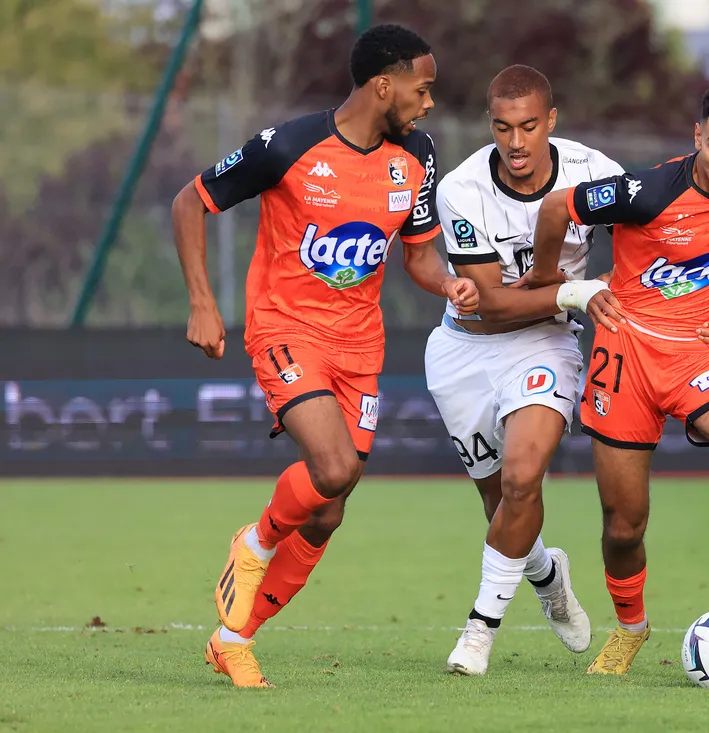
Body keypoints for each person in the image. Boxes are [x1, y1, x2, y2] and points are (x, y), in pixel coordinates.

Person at [170, 24, 478, 687]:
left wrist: (448, 280)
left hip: (360, 345)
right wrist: (202, 301)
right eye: (422, 90)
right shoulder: (290, 145)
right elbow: (189, 203)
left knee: (331, 508)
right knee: (333, 467)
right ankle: (253, 542)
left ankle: (233, 637)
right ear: (383, 85)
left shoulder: (417, 154)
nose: (429, 104)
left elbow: (418, 255)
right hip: (285, 329)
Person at [427, 66, 709, 676]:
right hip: (464, 349)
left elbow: (670, 240)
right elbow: (491, 301)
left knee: (523, 480)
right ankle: (546, 574)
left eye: (528, 126)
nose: (516, 142)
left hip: (546, 344)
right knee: (500, 502)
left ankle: (478, 632)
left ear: (551, 121)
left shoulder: (594, 172)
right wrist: (577, 291)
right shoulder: (462, 188)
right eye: (502, 128)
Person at [519, 79, 709, 675]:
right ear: (697, 135)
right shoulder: (644, 194)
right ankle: (630, 628)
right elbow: (554, 207)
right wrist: (547, 285)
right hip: (629, 358)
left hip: (704, 353)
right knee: (624, 526)